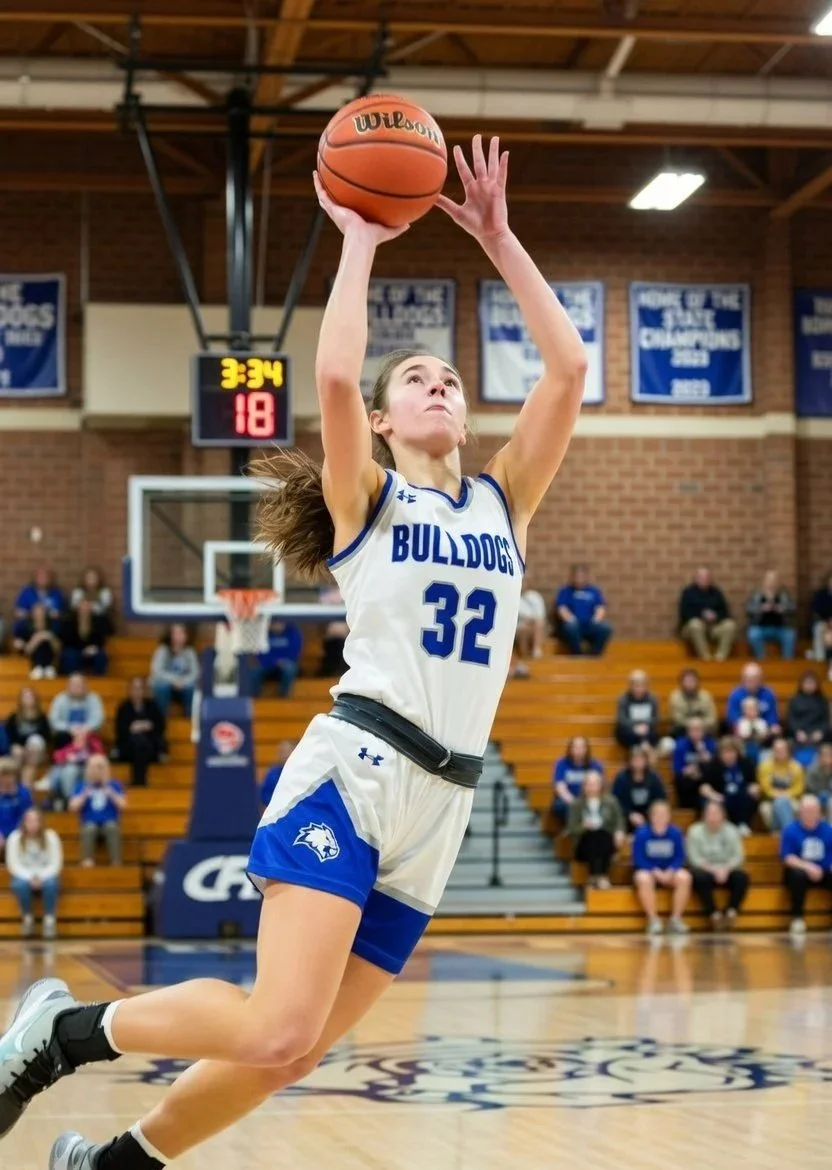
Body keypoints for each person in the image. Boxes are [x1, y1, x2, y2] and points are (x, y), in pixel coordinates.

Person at [0, 136, 589, 1165]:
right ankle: (60, 1034)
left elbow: (571, 367)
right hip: (357, 772)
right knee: (276, 1025)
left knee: (295, 1051)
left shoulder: (507, 500)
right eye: (418, 378)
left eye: (451, 379)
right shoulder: (368, 498)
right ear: (382, 419)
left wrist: (499, 240)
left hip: (443, 805)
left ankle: (111, 1164)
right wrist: (359, 238)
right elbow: (332, 373)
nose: (440, 386)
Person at [685, 800, 749, 931]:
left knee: (742, 877)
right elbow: (693, 858)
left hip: (726, 869)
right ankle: (714, 914)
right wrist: (713, 869)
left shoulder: (732, 830)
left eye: (716, 813)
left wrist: (726, 868)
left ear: (723, 815)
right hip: (706, 869)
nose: (713, 817)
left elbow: (738, 856)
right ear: (704, 816)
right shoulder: (694, 831)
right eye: (710, 814)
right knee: (699, 878)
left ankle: (731, 911)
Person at [632, 800, 692, 935]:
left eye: (664, 814)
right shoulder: (642, 833)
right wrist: (654, 871)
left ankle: (676, 919)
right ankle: (653, 920)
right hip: (649, 870)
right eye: (657, 814)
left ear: (669, 816)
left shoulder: (675, 833)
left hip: (669, 871)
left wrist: (671, 870)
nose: (660, 817)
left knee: (685, 877)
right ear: (651, 816)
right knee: (643, 878)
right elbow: (638, 858)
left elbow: (680, 857)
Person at [5, 807, 62, 939]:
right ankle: (27, 919)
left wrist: (41, 877)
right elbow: (13, 865)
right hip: (24, 876)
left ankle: (49, 920)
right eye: (29, 821)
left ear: (41, 822)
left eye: (36, 820)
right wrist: (30, 877)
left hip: (46, 875)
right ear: (23, 822)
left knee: (51, 884)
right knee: (19, 885)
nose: (33, 824)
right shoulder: (14, 837)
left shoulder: (51, 836)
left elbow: (56, 863)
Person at [780, 794, 832, 935]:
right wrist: (808, 867)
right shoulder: (790, 830)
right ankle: (797, 918)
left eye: (813, 810)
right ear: (800, 812)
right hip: (799, 870)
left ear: (819, 812)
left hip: (823, 870)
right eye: (807, 810)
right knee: (796, 876)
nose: (810, 814)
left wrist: (822, 869)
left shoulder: (828, 830)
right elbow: (788, 857)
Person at [566, 770, 624, 889]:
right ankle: (601, 876)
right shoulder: (576, 804)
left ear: (601, 785)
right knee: (594, 836)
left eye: (594, 784)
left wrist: (619, 832)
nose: (591, 787)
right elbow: (571, 828)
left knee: (601, 835)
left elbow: (619, 821)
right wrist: (583, 826)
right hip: (584, 844)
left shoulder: (611, 802)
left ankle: (595, 877)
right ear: (584, 786)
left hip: (606, 841)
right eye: (589, 784)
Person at [70, 754, 127, 867]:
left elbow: (123, 805)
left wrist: (109, 790)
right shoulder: (81, 785)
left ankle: (116, 862)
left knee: (111, 827)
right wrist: (85, 793)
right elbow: (73, 807)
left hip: (110, 821)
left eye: (100, 767)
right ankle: (87, 861)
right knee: (89, 828)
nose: (96, 770)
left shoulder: (115, 784)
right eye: (93, 767)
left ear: (106, 769)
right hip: (89, 822)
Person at [112, 677, 167, 789]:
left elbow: (160, 727)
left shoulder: (152, 706)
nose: (137, 691)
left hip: (150, 747)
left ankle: (138, 781)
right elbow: (119, 731)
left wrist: (147, 727)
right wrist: (132, 728)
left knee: (142, 744)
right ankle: (140, 781)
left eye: (140, 688)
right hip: (127, 748)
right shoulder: (123, 707)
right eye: (134, 688)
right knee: (138, 743)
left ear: (144, 690)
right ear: (129, 690)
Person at [699, 736, 760, 833]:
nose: (729, 755)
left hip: (742, 796)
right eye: (725, 753)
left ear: (737, 752)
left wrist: (754, 788)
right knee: (711, 803)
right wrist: (713, 795)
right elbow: (704, 787)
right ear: (720, 754)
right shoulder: (713, 765)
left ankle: (742, 825)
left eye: (731, 752)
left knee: (751, 798)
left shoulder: (745, 763)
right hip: (721, 796)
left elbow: (754, 782)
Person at [678, 567, 736, 661]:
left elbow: (725, 613)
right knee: (695, 625)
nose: (704, 580)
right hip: (693, 627)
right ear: (696, 578)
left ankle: (721, 658)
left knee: (730, 625)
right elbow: (685, 613)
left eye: (707, 577)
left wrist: (716, 616)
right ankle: (706, 658)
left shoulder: (717, 593)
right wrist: (702, 616)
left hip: (714, 626)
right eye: (701, 577)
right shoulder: (688, 593)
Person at [555, 564, 612, 656]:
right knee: (570, 627)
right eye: (576, 576)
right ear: (572, 577)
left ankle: (595, 654)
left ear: (586, 577)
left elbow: (600, 608)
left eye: (581, 576)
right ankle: (578, 654)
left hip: (590, 624)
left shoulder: (594, 591)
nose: (578, 578)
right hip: (573, 625)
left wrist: (596, 620)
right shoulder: (565, 591)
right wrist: (571, 620)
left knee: (606, 627)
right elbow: (561, 609)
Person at [612, 746, 666, 832]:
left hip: (649, 816)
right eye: (635, 760)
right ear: (629, 761)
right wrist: (629, 814)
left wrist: (651, 814)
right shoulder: (622, 778)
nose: (638, 763)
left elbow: (661, 799)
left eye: (641, 760)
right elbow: (615, 801)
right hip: (627, 816)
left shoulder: (653, 778)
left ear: (646, 761)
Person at [551, 734, 604, 822]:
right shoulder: (562, 763)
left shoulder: (595, 764)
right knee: (559, 806)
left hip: (590, 798)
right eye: (575, 747)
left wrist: (588, 802)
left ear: (587, 749)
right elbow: (560, 788)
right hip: (570, 799)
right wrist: (575, 803)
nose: (579, 750)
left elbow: (600, 786)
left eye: (582, 747)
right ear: (570, 749)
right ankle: (576, 826)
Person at [149, 623, 199, 718]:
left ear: (186, 635)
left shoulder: (190, 651)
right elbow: (157, 671)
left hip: (183, 686)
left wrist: (183, 682)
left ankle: (189, 720)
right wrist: (173, 681)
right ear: (170, 635)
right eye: (175, 633)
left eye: (181, 633)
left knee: (192, 688)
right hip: (166, 685)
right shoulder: (162, 650)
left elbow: (195, 673)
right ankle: (161, 720)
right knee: (161, 687)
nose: (178, 636)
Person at [745, 570, 796, 661]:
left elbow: (793, 608)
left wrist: (782, 609)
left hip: (780, 627)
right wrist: (761, 609)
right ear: (764, 581)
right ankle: (762, 660)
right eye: (769, 580)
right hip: (761, 627)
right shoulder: (757, 594)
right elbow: (748, 610)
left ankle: (787, 663)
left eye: (774, 580)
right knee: (753, 634)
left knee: (790, 635)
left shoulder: (784, 594)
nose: (771, 582)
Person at [5, 686, 50, 789]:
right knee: (17, 751)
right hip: (20, 750)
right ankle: (15, 784)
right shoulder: (13, 717)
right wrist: (22, 747)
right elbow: (11, 736)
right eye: (25, 697)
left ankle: (26, 786)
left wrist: (30, 747)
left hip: (36, 752)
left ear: (35, 699)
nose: (28, 699)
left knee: (34, 745)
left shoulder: (42, 717)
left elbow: (46, 737)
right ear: (20, 700)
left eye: (30, 696)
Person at [758, 736, 804, 832]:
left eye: (782, 749)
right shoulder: (764, 766)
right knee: (774, 806)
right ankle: (790, 832)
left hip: (791, 799)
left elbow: (799, 788)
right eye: (777, 750)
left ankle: (781, 832)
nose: (779, 752)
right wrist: (776, 795)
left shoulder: (796, 767)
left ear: (788, 751)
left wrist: (786, 795)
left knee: (783, 803)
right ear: (772, 751)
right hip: (770, 801)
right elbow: (764, 787)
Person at [11, 566, 65, 650]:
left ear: (51, 579)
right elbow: (19, 612)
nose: (43, 579)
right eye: (40, 576)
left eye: (46, 577)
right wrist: (34, 613)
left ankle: (39, 638)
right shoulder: (27, 591)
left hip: (51, 627)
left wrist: (45, 613)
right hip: (30, 626)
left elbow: (59, 613)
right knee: (38, 610)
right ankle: (39, 638)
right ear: (35, 578)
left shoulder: (57, 592)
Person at [48, 673, 106, 749]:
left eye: (79, 685)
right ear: (68, 686)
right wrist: (69, 728)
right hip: (66, 734)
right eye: (73, 685)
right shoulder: (60, 699)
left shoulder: (94, 698)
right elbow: (54, 721)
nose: (76, 688)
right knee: (61, 738)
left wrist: (85, 729)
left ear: (85, 686)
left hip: (88, 733)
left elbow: (98, 719)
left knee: (94, 739)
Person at [785, 671, 830, 766]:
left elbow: (826, 721)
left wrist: (821, 732)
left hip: (818, 735)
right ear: (801, 684)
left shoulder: (823, 700)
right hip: (799, 735)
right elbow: (790, 720)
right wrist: (797, 732)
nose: (809, 686)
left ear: (817, 685)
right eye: (807, 683)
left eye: (812, 683)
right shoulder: (794, 700)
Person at [250, 619, 304, 698]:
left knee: (290, 669)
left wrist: (283, 661)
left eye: (279, 622)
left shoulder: (293, 632)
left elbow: (294, 653)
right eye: (274, 622)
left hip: (286, 664)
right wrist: (275, 661)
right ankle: (256, 697)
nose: (277, 624)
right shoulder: (263, 634)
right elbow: (260, 654)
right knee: (254, 671)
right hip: (267, 664)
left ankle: (283, 696)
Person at [671, 716, 716, 810]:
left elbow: (716, 766)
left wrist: (705, 756)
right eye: (693, 730)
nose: (696, 733)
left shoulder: (710, 743)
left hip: (704, 780)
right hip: (688, 782)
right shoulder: (681, 744)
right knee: (681, 781)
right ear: (688, 732)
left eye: (699, 730)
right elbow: (677, 769)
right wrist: (688, 770)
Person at [725, 662, 781, 734]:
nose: (751, 681)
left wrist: (768, 728)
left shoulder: (768, 694)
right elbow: (732, 718)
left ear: (761, 679)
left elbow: (772, 717)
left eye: (755, 678)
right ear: (743, 679)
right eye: (748, 678)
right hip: (741, 732)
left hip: (765, 732)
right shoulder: (735, 695)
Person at [59, 599, 110, 677]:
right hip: (75, 650)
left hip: (91, 650)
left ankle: (98, 678)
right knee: (69, 654)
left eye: (87, 608)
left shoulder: (98, 621)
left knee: (101, 655)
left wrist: (94, 647)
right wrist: (82, 650)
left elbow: (100, 640)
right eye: (83, 608)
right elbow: (66, 641)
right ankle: (72, 677)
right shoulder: (70, 621)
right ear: (78, 609)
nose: (85, 610)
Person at [614, 670, 660, 749]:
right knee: (626, 734)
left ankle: (643, 747)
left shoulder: (652, 699)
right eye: (636, 686)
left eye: (642, 686)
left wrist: (645, 725)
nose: (639, 689)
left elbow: (655, 718)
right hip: (629, 731)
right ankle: (645, 748)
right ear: (630, 686)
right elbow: (621, 719)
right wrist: (635, 727)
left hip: (646, 729)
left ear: (646, 686)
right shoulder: (623, 699)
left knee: (652, 735)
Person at [667, 668, 717, 739]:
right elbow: (677, 719)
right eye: (687, 681)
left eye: (692, 681)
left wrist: (699, 725)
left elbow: (712, 718)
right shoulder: (675, 697)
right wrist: (693, 725)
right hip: (682, 731)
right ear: (681, 683)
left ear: (697, 682)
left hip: (704, 731)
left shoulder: (706, 696)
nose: (690, 684)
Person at [510, 584, 547, 677]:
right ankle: (523, 659)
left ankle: (536, 651)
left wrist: (531, 621)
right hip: (517, 628)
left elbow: (539, 618)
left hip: (532, 626)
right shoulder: (512, 597)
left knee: (538, 624)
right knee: (523, 630)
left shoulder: (534, 597)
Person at [0, 759, 32, 862]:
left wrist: (18, 834)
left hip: (19, 832)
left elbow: (28, 816)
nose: (7, 779)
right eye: (4, 775)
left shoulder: (23, 793)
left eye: (10, 775)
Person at [19, 603, 61, 680]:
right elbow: (26, 650)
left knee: (46, 642)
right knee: (39, 643)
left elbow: (58, 649)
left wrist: (50, 637)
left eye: (41, 613)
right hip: (33, 661)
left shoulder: (53, 627)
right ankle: (38, 667)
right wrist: (35, 640)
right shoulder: (26, 627)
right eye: (37, 613)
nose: (39, 616)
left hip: (51, 662)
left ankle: (48, 667)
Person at [259, 740, 295, 808]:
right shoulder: (271, 773)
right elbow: (264, 795)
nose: (283, 755)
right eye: (281, 752)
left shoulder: (300, 773)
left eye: (286, 751)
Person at [810, 571, 832, 667]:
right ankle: (820, 662)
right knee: (819, 629)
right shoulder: (821, 595)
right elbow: (816, 611)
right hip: (824, 623)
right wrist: (828, 622)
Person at [805, 741, 832, 813]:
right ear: (819, 756)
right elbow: (810, 788)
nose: (827, 758)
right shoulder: (811, 769)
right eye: (825, 755)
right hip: (815, 796)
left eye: (829, 755)